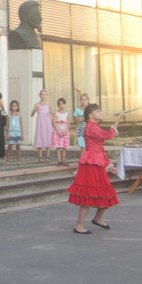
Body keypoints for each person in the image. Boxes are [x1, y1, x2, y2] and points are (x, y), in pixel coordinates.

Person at [67, 105, 125, 234]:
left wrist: (109, 165)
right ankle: (79, 225)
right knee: (88, 194)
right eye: (98, 111)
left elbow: (100, 150)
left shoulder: (94, 127)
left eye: (100, 110)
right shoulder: (90, 127)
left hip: (96, 163)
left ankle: (97, 218)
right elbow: (108, 135)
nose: (101, 112)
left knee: (106, 193)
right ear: (90, 115)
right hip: (90, 165)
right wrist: (118, 120)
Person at [31, 89, 54, 163]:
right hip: (40, 123)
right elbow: (31, 114)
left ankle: (47, 156)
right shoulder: (37, 104)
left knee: (48, 137)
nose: (43, 96)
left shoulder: (49, 104)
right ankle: (40, 156)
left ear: (47, 96)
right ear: (40, 95)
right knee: (40, 137)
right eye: (42, 94)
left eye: (45, 94)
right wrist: (35, 110)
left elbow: (53, 113)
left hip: (47, 123)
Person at [52, 97, 71, 166]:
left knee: (64, 147)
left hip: (65, 131)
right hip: (58, 131)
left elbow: (68, 122)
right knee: (58, 147)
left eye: (62, 104)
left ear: (65, 104)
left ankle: (64, 161)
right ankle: (59, 161)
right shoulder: (56, 113)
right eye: (59, 104)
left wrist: (66, 131)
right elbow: (53, 122)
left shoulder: (67, 113)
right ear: (58, 105)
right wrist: (58, 131)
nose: (61, 105)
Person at [5, 100, 23, 164]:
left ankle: (18, 160)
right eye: (12, 106)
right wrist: (7, 134)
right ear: (10, 107)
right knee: (10, 146)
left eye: (15, 106)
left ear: (18, 107)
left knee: (18, 147)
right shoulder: (8, 116)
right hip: (11, 132)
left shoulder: (19, 115)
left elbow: (21, 125)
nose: (14, 107)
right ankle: (8, 160)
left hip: (18, 132)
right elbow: (7, 125)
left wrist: (22, 134)